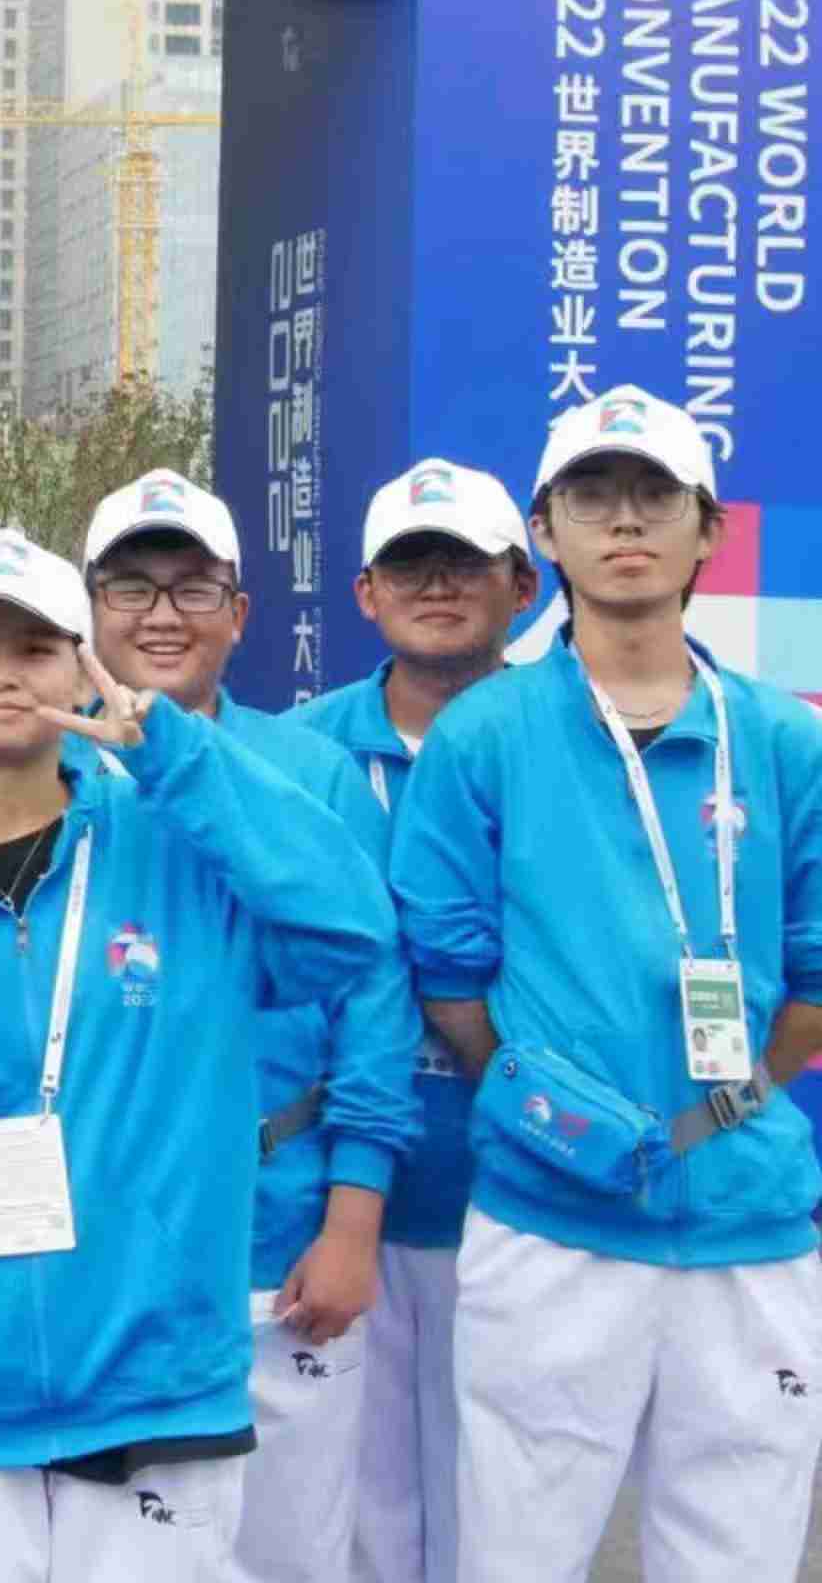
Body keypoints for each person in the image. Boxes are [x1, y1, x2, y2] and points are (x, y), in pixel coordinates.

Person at [0, 529, 394, 1583]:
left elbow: (351, 927)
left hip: (155, 1391)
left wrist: (176, 755)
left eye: (36, 649)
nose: (1, 674)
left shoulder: (177, 843)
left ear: (85, 671)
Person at [390, 385, 822, 1583]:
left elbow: (813, 972)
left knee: (737, 1556)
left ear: (707, 529)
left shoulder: (783, 738)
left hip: (749, 1224)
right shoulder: (486, 734)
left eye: (653, 496)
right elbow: (448, 974)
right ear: (544, 530)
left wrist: (726, 1111)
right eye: (591, 497)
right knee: (516, 1556)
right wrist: (546, 1108)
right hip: (550, 1219)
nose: (623, 521)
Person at [76, 468, 419, 1583]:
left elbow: (373, 999)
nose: (161, 615)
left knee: (289, 1554)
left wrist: (353, 1217)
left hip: (278, 1235)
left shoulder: (309, 770)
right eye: (132, 586)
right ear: (88, 605)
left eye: (193, 588)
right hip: (94, 1241)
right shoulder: (37, 768)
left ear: (239, 612)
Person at [284, 458, 536, 1583]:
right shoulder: (300, 754)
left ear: (521, 584)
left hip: (526, 1185)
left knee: (515, 1505)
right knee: (364, 1510)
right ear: (365, 593)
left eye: (464, 563)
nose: (437, 585)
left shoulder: (574, 741)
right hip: (352, 1198)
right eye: (409, 564)